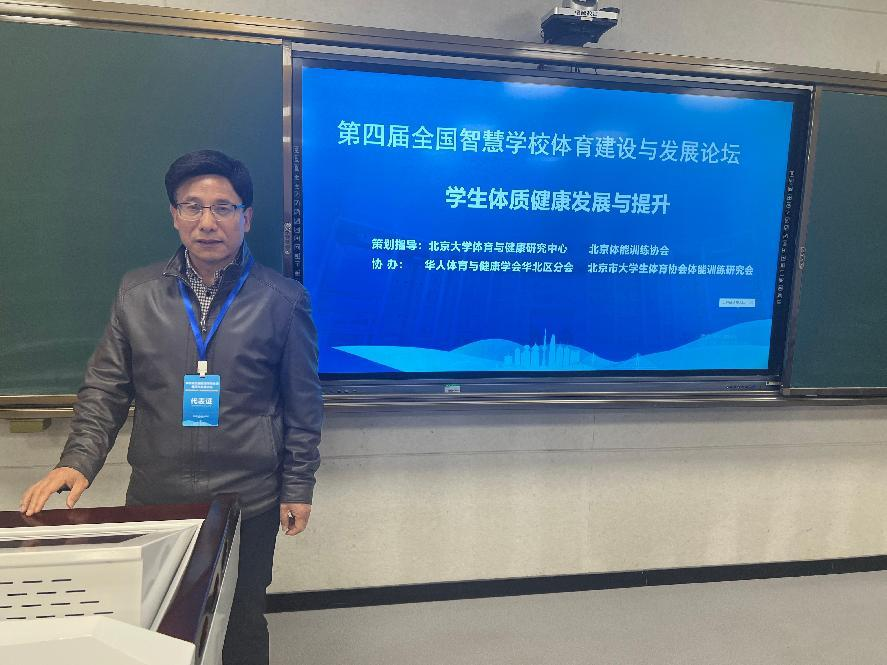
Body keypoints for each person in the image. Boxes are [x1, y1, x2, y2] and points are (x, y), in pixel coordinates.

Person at [19, 149, 323, 665]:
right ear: (174, 215)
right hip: (156, 497)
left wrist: (298, 485)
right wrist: (79, 460)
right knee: (154, 625)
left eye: (223, 207)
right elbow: (106, 388)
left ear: (247, 218)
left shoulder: (283, 300)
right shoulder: (136, 293)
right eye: (192, 206)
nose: (207, 222)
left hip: (248, 498)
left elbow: (303, 403)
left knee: (243, 620)